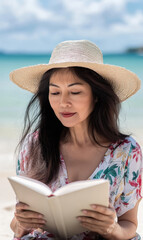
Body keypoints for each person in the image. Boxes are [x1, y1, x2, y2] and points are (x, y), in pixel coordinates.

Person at [9, 40, 142, 240]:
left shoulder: (127, 152)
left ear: (96, 96)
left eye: (75, 91)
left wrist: (112, 228)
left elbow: (129, 224)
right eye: (55, 92)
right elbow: (17, 226)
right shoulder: (35, 144)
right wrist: (21, 222)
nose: (63, 103)